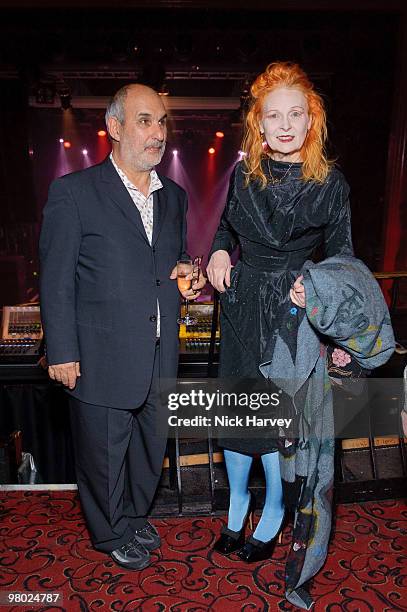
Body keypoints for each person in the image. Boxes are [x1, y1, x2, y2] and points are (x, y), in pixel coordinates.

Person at [207, 62, 355, 608]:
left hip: (294, 314)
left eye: (296, 113)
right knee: (237, 412)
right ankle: (236, 503)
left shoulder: (330, 182)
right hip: (243, 304)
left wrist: (328, 308)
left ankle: (271, 513)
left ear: (310, 120)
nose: (286, 124)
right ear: (259, 125)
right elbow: (224, 227)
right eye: (275, 115)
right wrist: (221, 249)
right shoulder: (245, 174)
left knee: (275, 424)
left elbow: (343, 260)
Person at [39, 84, 205, 570]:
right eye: (145, 121)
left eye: (162, 122)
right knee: (104, 455)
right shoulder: (74, 193)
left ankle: (132, 515)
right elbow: (56, 280)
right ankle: (109, 533)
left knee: (149, 449)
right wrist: (64, 351)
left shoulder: (173, 196)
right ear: (114, 127)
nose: (158, 133)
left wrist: (184, 277)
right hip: (100, 352)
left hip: (159, 352)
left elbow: (168, 262)